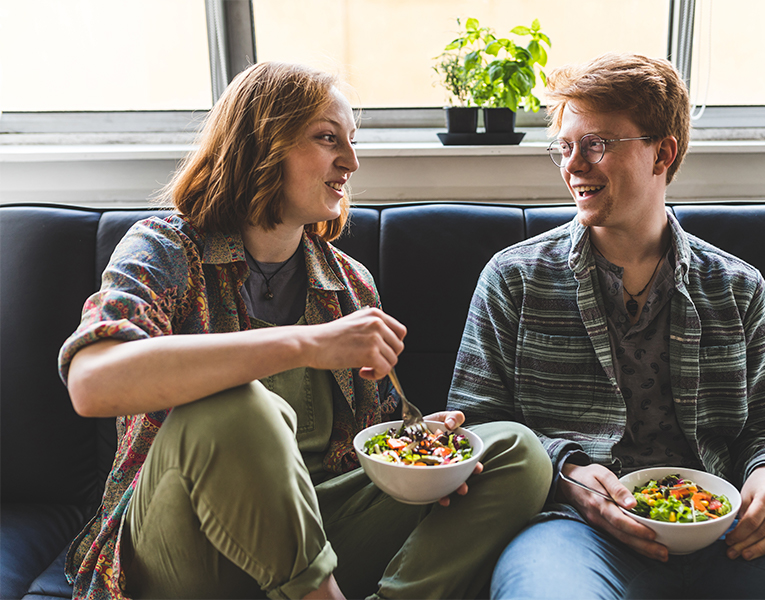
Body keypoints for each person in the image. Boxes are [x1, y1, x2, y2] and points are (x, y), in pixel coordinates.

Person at [59, 61, 551, 600]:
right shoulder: (166, 250)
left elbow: (375, 444)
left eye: (352, 141)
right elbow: (91, 382)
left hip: (318, 530)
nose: (351, 162)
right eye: (326, 138)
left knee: (514, 452)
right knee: (234, 405)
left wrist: (423, 451)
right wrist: (307, 344)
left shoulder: (347, 285)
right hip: (185, 547)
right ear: (261, 145)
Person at [447, 53, 765, 599]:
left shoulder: (739, 288)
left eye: (596, 144)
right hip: (573, 530)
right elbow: (478, 428)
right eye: (565, 147)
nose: (573, 165)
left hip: (725, 527)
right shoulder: (513, 280)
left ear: (663, 152)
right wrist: (567, 479)